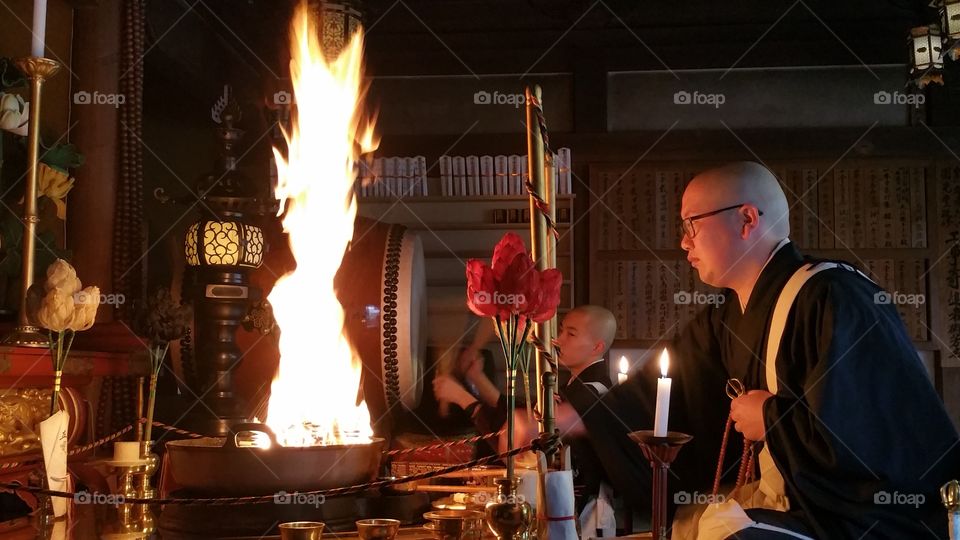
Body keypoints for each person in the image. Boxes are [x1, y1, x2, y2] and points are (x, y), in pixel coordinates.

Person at [511, 161, 960, 539]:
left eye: (691, 225)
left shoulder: (833, 297)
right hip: (791, 501)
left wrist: (770, 418)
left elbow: (870, 437)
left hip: (863, 518)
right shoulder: (727, 316)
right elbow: (667, 392)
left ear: (747, 219)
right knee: (689, 524)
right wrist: (582, 416)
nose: (683, 242)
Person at [434, 306, 618, 523]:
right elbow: (525, 414)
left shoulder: (595, 393)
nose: (558, 340)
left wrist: (464, 399)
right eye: (561, 331)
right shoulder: (579, 386)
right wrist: (477, 379)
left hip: (582, 516)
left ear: (597, 347)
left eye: (571, 333)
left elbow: (522, 438)